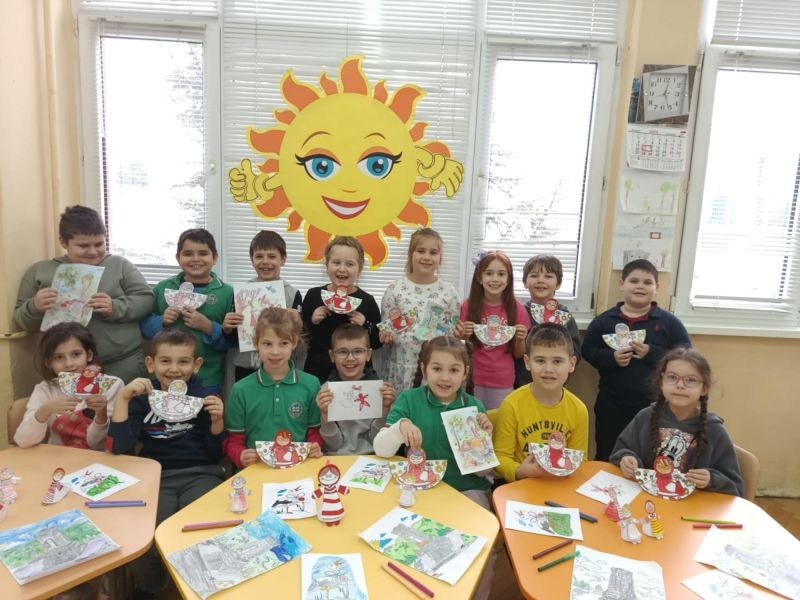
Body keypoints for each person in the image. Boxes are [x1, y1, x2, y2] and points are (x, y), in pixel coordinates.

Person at [373, 335, 496, 600]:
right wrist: (399, 428)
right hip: (420, 490)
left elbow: (481, 473)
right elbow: (381, 450)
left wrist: (483, 443)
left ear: (465, 373)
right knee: (409, 549)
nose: (445, 377)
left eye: (454, 370)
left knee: (479, 552)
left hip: (465, 491)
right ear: (424, 368)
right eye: (437, 368)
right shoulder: (409, 399)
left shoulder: (474, 407)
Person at [108, 328, 227, 598]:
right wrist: (123, 398)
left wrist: (217, 421)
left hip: (201, 474)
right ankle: (154, 586)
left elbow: (214, 454)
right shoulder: (142, 398)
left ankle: (201, 587)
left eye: (183, 361)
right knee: (143, 539)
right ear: (151, 364)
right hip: (156, 478)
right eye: (165, 361)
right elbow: (119, 447)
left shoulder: (204, 395)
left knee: (200, 532)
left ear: (196, 364)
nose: (174, 369)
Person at [14, 205, 153, 382]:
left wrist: (115, 307)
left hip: (122, 362)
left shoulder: (120, 265)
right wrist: (35, 306)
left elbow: (146, 300)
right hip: (66, 368)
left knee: (129, 400)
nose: (93, 251)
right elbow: (21, 320)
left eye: (99, 244)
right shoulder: (40, 272)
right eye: (83, 246)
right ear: (63, 242)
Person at [582, 259, 691, 461]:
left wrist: (652, 353)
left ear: (657, 288)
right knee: (607, 451)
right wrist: (611, 357)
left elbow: (686, 355)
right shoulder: (604, 320)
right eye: (634, 281)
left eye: (647, 282)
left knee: (650, 453)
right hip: (611, 402)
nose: (640, 286)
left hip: (654, 404)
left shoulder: (668, 322)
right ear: (622, 284)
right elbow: (587, 350)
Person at [610, 347, 744, 497]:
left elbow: (735, 488)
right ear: (661, 381)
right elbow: (621, 451)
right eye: (672, 377)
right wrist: (627, 458)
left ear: (704, 388)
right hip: (646, 500)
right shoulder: (645, 416)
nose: (680, 385)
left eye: (691, 380)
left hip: (693, 506)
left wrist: (711, 480)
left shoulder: (715, 430)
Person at [225, 307, 324, 468]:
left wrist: (314, 445)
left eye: (283, 343)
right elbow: (234, 440)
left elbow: (314, 432)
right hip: (257, 469)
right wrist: (241, 455)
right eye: (267, 344)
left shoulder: (311, 384)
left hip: (299, 469)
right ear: (256, 343)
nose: (275, 352)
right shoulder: (240, 389)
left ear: (294, 343)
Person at [140, 228, 234, 393]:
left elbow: (231, 342)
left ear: (215, 257)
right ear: (178, 258)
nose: (195, 259)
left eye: (203, 253)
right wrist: (161, 320)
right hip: (164, 377)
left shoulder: (227, 293)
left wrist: (208, 326)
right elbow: (143, 325)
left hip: (207, 378)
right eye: (188, 254)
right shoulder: (163, 288)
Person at [493, 323, 588, 482]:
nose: (548, 369)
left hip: (558, 485)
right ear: (527, 362)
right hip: (520, 485)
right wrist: (520, 471)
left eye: (557, 361)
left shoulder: (579, 410)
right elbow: (501, 457)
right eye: (540, 360)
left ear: (571, 364)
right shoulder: (512, 405)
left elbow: (580, 460)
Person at [14, 322, 122, 449]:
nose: (69, 364)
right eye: (59, 357)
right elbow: (23, 441)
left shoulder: (111, 385)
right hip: (58, 458)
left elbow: (99, 445)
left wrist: (101, 415)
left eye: (76, 354)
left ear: (89, 355)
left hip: (98, 458)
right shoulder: (45, 389)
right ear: (48, 362)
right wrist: (44, 410)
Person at [379, 228, 459, 392]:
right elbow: (386, 330)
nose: (427, 257)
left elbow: (452, 335)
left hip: (437, 372)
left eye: (433, 252)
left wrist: (459, 333)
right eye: (421, 251)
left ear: (440, 257)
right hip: (402, 370)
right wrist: (386, 336)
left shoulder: (449, 292)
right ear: (411, 254)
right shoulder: (395, 290)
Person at [223, 230, 303, 383]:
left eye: (272, 256)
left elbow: (299, 338)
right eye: (259, 256)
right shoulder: (241, 293)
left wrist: (298, 322)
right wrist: (227, 328)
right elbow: (233, 336)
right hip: (245, 365)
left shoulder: (292, 294)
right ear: (251, 260)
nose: (265, 261)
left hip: (279, 365)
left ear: (283, 259)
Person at [456, 250, 530, 409]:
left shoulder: (518, 309)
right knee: (471, 420)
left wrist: (520, 339)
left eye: (501, 274)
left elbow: (518, 354)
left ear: (508, 279)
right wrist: (463, 336)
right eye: (489, 273)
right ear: (479, 278)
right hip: (471, 378)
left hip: (503, 380)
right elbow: (460, 348)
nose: (495, 279)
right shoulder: (468, 306)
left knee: (498, 420)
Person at [301, 236, 381, 383]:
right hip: (318, 371)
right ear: (327, 265)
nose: (342, 269)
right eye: (336, 262)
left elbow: (378, 342)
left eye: (349, 264)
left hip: (357, 375)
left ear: (360, 268)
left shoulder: (367, 301)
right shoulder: (314, 295)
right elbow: (300, 336)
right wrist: (311, 321)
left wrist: (366, 325)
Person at [316, 323, 396, 454]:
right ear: (332, 356)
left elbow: (376, 441)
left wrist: (385, 411)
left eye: (358, 351)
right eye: (342, 352)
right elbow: (333, 446)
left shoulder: (380, 391)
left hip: (373, 457)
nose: (350, 358)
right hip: (337, 459)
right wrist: (325, 416)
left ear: (368, 354)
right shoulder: (326, 392)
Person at [515, 255, 581, 387]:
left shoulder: (563, 316)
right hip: (522, 382)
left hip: (554, 381)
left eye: (548, 276)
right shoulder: (519, 313)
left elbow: (575, 351)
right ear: (525, 282)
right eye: (534, 275)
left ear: (558, 284)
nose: (541, 280)